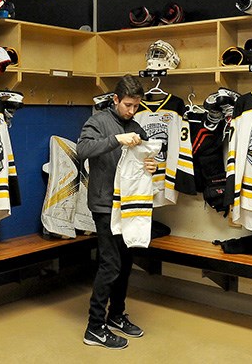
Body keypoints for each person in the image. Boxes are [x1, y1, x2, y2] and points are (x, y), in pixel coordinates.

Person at [77, 74, 157, 350]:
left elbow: (147, 158)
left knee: (124, 263)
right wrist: (116, 139)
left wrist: (151, 166)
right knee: (109, 264)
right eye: (127, 105)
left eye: (136, 106)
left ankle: (116, 316)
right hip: (103, 204)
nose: (132, 111)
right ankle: (94, 327)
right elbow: (82, 149)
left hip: (129, 205)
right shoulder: (98, 121)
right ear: (115, 99)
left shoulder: (136, 126)